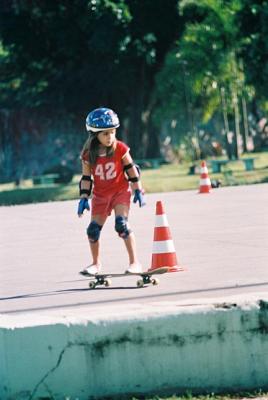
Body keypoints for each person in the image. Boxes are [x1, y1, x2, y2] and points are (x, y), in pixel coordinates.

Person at [78, 107, 146, 275]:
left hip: (120, 192)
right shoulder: (88, 155)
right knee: (93, 230)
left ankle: (134, 262)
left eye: (113, 132)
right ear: (95, 135)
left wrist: (137, 190)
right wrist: (83, 198)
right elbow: (86, 178)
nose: (110, 137)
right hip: (100, 196)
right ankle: (95, 264)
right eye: (105, 134)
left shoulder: (120, 148)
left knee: (121, 225)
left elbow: (131, 169)